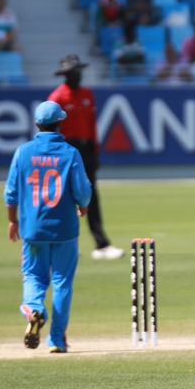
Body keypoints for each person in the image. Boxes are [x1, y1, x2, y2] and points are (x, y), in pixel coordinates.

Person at [4, 101, 92, 353]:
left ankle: (35, 310)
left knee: (33, 276)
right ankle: (56, 340)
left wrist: (13, 220)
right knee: (62, 282)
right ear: (61, 122)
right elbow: (83, 191)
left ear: (36, 124)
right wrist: (83, 207)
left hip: (32, 230)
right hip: (65, 229)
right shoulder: (70, 152)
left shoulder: (23, 152)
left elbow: (11, 193)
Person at [48, 54, 125, 261]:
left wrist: (95, 151)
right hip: (65, 150)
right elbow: (50, 130)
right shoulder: (57, 98)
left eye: (80, 71)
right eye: (74, 72)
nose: (78, 76)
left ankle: (101, 244)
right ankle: (63, 242)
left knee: (90, 196)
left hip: (85, 149)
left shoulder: (87, 94)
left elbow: (91, 125)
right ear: (66, 74)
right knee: (63, 198)